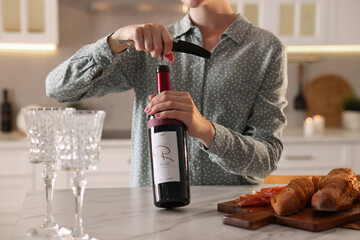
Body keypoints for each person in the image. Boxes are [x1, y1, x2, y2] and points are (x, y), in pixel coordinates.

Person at [46, 0, 288, 187]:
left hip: (229, 215)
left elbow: (266, 160)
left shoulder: (266, 49)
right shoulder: (147, 47)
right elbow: (58, 88)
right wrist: (115, 40)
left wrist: (206, 130)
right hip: (150, 214)